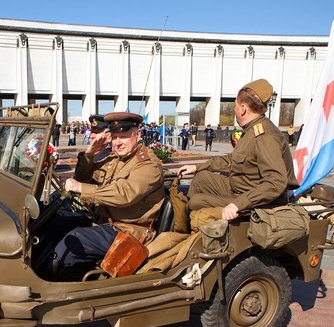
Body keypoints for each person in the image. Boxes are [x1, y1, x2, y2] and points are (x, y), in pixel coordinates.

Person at [48, 112, 164, 279]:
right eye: (115, 137)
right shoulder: (117, 159)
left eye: (123, 137)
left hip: (128, 231)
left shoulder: (148, 165)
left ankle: (56, 283)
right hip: (105, 222)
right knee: (56, 224)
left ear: (137, 134)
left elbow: (123, 194)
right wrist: (89, 155)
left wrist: (80, 187)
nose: (118, 142)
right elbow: (83, 178)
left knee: (74, 241)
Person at [177, 79, 298, 221]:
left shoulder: (265, 136)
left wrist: (238, 204)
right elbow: (232, 159)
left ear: (243, 108)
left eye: (235, 106)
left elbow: (276, 182)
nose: (234, 110)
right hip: (239, 187)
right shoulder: (252, 130)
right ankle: (184, 223)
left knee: (196, 202)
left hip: (256, 200)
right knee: (201, 178)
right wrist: (196, 167)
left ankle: (189, 228)